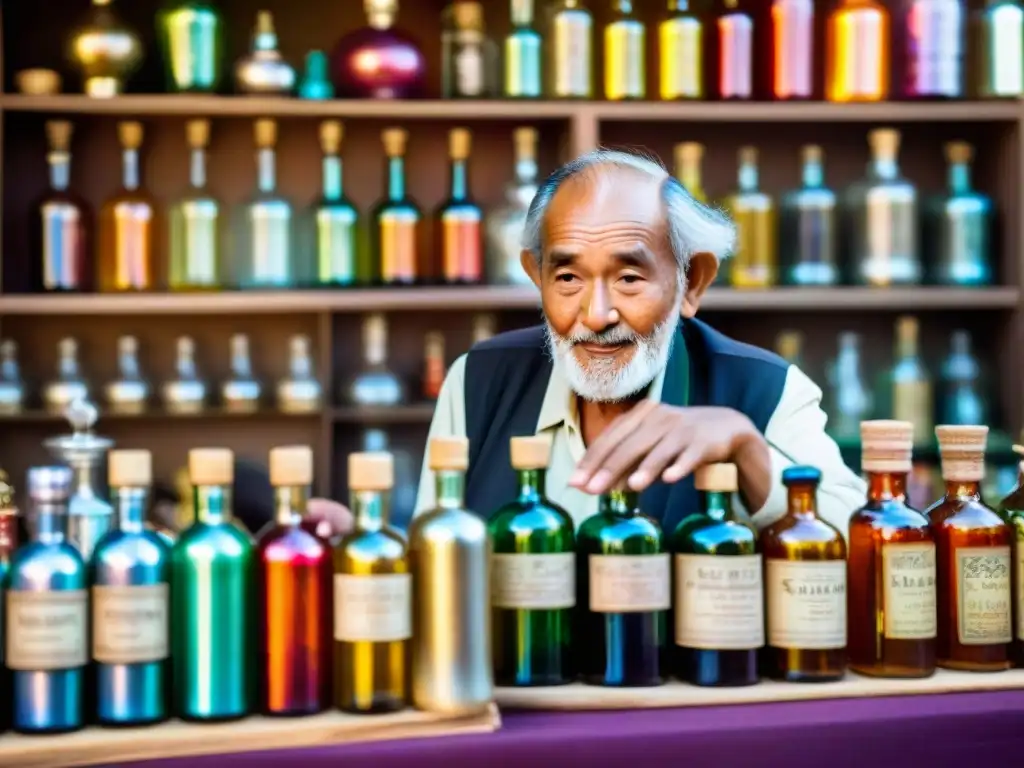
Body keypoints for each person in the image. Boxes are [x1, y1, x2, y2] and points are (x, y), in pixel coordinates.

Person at [307, 149, 865, 536]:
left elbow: (861, 543)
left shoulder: (762, 388)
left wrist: (748, 450)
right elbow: (445, 551)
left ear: (691, 281)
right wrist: (372, 548)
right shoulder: (478, 381)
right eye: (568, 279)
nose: (595, 316)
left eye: (628, 278)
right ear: (537, 277)